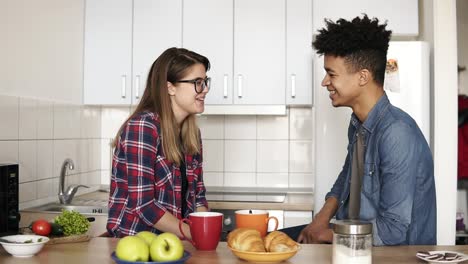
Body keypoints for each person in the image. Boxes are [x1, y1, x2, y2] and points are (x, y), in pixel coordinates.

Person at [297, 15, 436, 245]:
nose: (324, 82)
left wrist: (329, 235)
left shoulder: (396, 133)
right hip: (355, 247)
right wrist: (321, 220)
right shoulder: (358, 124)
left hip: (394, 258)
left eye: (331, 74)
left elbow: (393, 230)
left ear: (363, 77)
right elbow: (347, 178)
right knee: (279, 239)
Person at [106, 47, 211, 238]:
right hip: (137, 243)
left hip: (175, 244)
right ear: (170, 87)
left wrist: (204, 232)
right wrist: (193, 234)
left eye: (205, 82)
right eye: (197, 82)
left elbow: (198, 198)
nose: (204, 90)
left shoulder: (192, 134)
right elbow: (144, 204)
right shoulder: (143, 127)